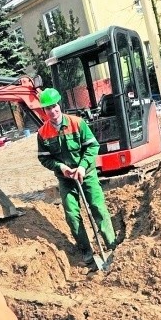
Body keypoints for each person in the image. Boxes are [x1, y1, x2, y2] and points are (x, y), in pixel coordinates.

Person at [36, 87, 116, 267]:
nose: (53, 111)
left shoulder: (77, 123)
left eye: (55, 106)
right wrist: (61, 167)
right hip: (66, 179)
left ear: (60, 105)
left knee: (97, 206)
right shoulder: (43, 133)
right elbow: (44, 157)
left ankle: (111, 243)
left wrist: (81, 166)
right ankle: (86, 250)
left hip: (86, 174)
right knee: (72, 214)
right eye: (48, 108)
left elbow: (92, 146)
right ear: (44, 110)